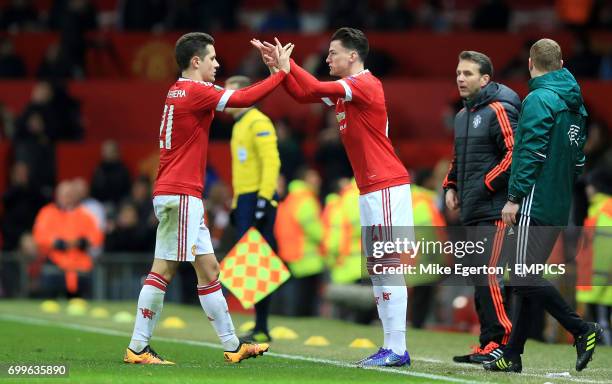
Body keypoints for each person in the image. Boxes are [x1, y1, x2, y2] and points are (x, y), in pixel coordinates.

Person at [123, 31, 294, 365]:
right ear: (196, 61)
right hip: (181, 193)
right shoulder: (195, 91)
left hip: (178, 192)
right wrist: (281, 74)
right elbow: (243, 99)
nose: (218, 64)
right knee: (163, 270)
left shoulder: (177, 90)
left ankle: (232, 346)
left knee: (210, 269)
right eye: (213, 59)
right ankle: (138, 347)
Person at [252, 28, 413, 367]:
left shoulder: (363, 84)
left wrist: (289, 63)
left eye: (333, 53)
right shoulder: (345, 93)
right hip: (372, 187)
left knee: (387, 267)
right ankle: (391, 347)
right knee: (378, 269)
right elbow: (300, 94)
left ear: (352, 56)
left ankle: (397, 349)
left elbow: (308, 86)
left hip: (385, 184)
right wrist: (278, 69)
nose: (327, 59)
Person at [485, 38, 603, 373]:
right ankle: (512, 353)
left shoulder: (538, 99)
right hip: (559, 200)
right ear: (562, 62)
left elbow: (530, 152)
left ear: (530, 64)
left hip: (534, 199)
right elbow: (578, 159)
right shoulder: (576, 103)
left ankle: (582, 329)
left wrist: (514, 196)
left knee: (521, 276)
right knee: (527, 275)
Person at [442, 50, 519, 364]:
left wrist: (485, 184)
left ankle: (503, 342)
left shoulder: (499, 109)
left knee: (489, 274)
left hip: (495, 208)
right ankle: (488, 343)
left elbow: (514, 154)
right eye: (459, 73)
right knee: (478, 276)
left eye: (468, 73)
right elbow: (459, 159)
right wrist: (451, 185)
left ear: (485, 79)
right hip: (472, 208)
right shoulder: (462, 115)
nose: (461, 78)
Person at [224, 75, 281, 342]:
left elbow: (272, 162)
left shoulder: (258, 121)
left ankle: (262, 326)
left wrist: (263, 199)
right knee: (250, 264)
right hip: (245, 199)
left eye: (232, 93)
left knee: (259, 262)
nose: (227, 99)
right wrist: (237, 204)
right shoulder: (240, 125)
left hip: (258, 198)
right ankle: (259, 325)